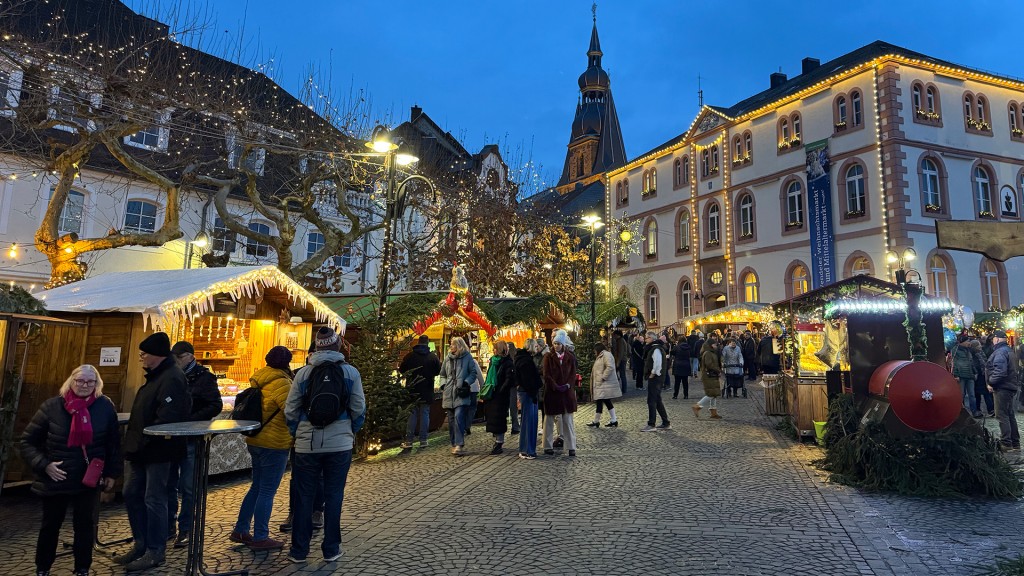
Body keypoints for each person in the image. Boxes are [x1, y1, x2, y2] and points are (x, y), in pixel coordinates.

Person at [21, 365, 122, 576]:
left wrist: (112, 473)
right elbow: (27, 442)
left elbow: (113, 443)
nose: (85, 385)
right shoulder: (51, 407)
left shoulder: (105, 407)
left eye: (90, 382)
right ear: (71, 381)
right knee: (50, 525)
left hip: (87, 478)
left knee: (85, 525)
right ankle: (43, 568)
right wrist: (44, 465)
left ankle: (82, 568)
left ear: (97, 384)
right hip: (57, 476)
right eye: (80, 380)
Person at [285, 326, 366, 564]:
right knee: (334, 495)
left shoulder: (303, 374)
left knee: (304, 496)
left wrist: (297, 432)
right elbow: (359, 407)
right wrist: (350, 430)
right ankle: (331, 548)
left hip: (306, 445)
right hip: (339, 444)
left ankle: (299, 550)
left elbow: (290, 409)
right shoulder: (350, 373)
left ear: (317, 347)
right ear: (338, 346)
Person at [114, 332, 190, 571]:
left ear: (157, 355)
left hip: (158, 450)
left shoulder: (171, 378)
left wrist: (146, 440)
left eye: (144, 354)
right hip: (141, 449)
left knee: (153, 499)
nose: (141, 358)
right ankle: (141, 543)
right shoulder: (156, 376)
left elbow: (169, 417)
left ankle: (155, 550)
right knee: (132, 494)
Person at [229, 346, 294, 550]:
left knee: (256, 486)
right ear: (286, 363)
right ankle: (260, 536)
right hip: (274, 443)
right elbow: (291, 412)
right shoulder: (282, 383)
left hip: (256, 440)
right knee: (267, 490)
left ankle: (241, 529)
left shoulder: (260, 378)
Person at [166, 340, 222, 548]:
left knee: (189, 487)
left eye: (180, 357)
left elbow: (215, 405)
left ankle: (186, 528)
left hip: (191, 437)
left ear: (190, 356)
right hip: (171, 437)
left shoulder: (204, 377)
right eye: (174, 358)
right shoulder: (170, 375)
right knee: (168, 484)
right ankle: (168, 525)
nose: (177, 361)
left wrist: (192, 420)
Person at [399, 335, 441, 449]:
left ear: (418, 342)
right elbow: (438, 371)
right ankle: (423, 440)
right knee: (425, 414)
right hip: (427, 389)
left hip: (412, 389)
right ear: (427, 343)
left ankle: (409, 441)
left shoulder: (409, 356)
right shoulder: (433, 357)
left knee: (412, 415)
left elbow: (402, 370)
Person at [541, 330, 579, 456]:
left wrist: (568, 385)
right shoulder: (548, 357)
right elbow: (546, 374)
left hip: (566, 393)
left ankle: (571, 446)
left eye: (558, 343)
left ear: (563, 345)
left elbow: (573, 373)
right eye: (555, 343)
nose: (556, 345)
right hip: (552, 392)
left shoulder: (569, 357)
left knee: (568, 421)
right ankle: (547, 445)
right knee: (549, 419)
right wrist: (555, 386)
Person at [439, 336, 476, 456]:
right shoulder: (447, 358)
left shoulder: (467, 357)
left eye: (453, 344)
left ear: (459, 346)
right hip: (449, 392)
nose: (450, 346)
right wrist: (443, 385)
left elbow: (473, 373)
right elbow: (443, 374)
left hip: (461, 392)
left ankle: (459, 444)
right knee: (451, 420)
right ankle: (454, 443)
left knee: (458, 417)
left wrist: (466, 382)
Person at [986, 330, 1021, 451]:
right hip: (1009, 386)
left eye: (993, 339)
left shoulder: (1000, 352)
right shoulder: (1009, 351)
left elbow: (1000, 372)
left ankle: (1006, 443)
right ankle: (1015, 442)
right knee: (1009, 415)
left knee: (1002, 415)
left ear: (996, 339)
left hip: (1002, 387)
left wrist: (991, 382)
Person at [483, 340, 516, 455]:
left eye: (495, 348)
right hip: (491, 393)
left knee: (499, 418)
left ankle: (499, 441)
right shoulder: (493, 361)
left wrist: (501, 390)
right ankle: (497, 439)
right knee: (493, 417)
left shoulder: (507, 362)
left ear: (500, 349)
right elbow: (489, 376)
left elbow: (509, 379)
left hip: (501, 396)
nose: (493, 350)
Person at [515, 339, 543, 459]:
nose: (537, 348)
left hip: (527, 393)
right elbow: (528, 380)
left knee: (529, 422)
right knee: (529, 422)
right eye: (535, 346)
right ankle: (527, 450)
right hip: (528, 393)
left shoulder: (523, 359)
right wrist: (534, 390)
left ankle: (527, 449)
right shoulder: (526, 361)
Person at [641, 331, 671, 431]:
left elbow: (657, 363)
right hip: (657, 377)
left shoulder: (656, 349)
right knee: (657, 400)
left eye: (646, 338)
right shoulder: (655, 348)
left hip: (656, 378)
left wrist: (652, 374)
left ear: (651, 338)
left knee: (652, 400)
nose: (645, 340)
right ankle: (666, 422)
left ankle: (651, 424)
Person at [586, 342, 621, 427]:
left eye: (595, 350)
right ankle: (613, 420)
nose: (594, 352)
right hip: (601, 384)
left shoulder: (606, 355)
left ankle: (596, 421)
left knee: (600, 401)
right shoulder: (602, 355)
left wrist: (603, 377)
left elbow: (610, 367)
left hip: (603, 383)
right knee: (606, 401)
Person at [952, 334, 985, 417]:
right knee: (961, 394)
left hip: (970, 375)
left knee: (972, 395)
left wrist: (975, 372)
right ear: (962, 342)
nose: (969, 342)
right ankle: (961, 412)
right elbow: (954, 363)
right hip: (961, 375)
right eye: (967, 341)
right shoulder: (955, 350)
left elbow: (971, 362)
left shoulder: (968, 350)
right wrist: (956, 375)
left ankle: (974, 412)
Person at [694, 338, 723, 419]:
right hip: (709, 376)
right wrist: (718, 370)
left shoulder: (711, 352)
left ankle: (713, 412)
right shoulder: (708, 353)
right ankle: (697, 406)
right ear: (711, 345)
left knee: (714, 393)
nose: (716, 346)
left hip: (712, 375)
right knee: (711, 394)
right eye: (714, 344)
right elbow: (709, 364)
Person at [611, 330, 630, 395]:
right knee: (621, 374)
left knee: (622, 375)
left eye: (614, 335)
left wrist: (618, 362)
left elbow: (620, 353)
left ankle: (624, 389)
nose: (613, 336)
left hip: (621, 360)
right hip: (622, 359)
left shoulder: (620, 341)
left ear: (617, 335)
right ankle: (623, 389)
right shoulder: (620, 340)